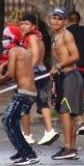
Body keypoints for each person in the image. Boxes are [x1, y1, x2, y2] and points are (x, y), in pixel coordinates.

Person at [0, 25, 40, 165]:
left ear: (13, 38)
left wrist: (0, 79)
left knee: (7, 120)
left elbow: (12, 74)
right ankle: (23, 151)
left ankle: (28, 153)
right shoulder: (22, 50)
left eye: (6, 38)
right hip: (27, 92)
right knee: (11, 121)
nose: (3, 41)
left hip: (24, 93)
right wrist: (2, 66)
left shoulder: (14, 51)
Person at [48, 7, 84, 160]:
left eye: (59, 18)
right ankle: (71, 148)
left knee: (65, 112)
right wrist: (54, 68)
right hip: (63, 77)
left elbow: (76, 55)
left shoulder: (66, 35)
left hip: (71, 77)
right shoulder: (55, 35)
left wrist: (60, 66)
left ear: (65, 21)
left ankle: (68, 148)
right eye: (54, 18)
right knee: (68, 114)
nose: (55, 21)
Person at [19, 14, 58, 146]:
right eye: (22, 23)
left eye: (26, 23)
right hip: (41, 72)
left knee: (24, 104)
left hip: (33, 73)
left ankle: (27, 134)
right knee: (43, 103)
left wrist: (28, 71)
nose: (23, 26)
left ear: (33, 26)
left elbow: (35, 56)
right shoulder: (38, 38)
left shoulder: (32, 38)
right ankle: (49, 130)